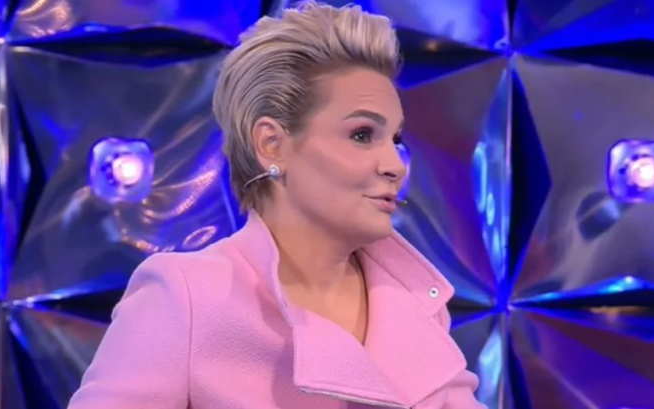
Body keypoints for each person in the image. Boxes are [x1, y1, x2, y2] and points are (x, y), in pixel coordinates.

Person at [67, 2, 485, 408]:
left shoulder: (415, 301)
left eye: (395, 139)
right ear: (272, 145)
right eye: (362, 135)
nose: (395, 165)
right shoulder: (185, 297)